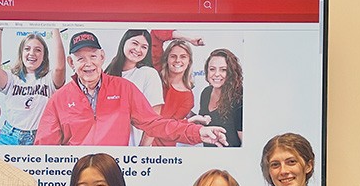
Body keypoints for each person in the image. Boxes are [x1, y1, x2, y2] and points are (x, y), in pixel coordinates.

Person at [35, 31, 227, 147]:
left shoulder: (124, 88)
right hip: (77, 180)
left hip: (114, 174)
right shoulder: (58, 99)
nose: (88, 64)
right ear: (71, 62)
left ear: (102, 57)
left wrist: (197, 132)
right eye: (80, 58)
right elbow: (44, 147)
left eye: (93, 56)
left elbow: (155, 124)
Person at [0, 28, 66, 145]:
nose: (32, 53)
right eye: (27, 49)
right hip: (9, 137)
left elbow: (60, 67)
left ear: (44, 56)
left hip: (38, 137)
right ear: (21, 53)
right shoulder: (11, 78)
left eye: (38, 50)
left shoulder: (49, 79)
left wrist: (55, 28)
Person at [104, 30, 164, 146]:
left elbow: (154, 119)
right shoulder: (107, 72)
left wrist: (142, 151)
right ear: (124, 43)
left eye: (144, 47)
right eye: (135, 43)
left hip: (134, 150)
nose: (138, 50)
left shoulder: (148, 74)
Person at [141, 40, 196, 146]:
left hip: (161, 150)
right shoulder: (154, 77)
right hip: (136, 139)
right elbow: (155, 36)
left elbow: (166, 128)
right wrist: (188, 38)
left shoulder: (188, 97)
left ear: (189, 61)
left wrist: (143, 149)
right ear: (167, 58)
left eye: (183, 56)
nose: (177, 60)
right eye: (173, 56)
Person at [198, 49, 244, 147]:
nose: (217, 74)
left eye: (223, 70)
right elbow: (202, 123)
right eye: (212, 69)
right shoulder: (206, 92)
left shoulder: (239, 97)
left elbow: (244, 142)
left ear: (231, 72)